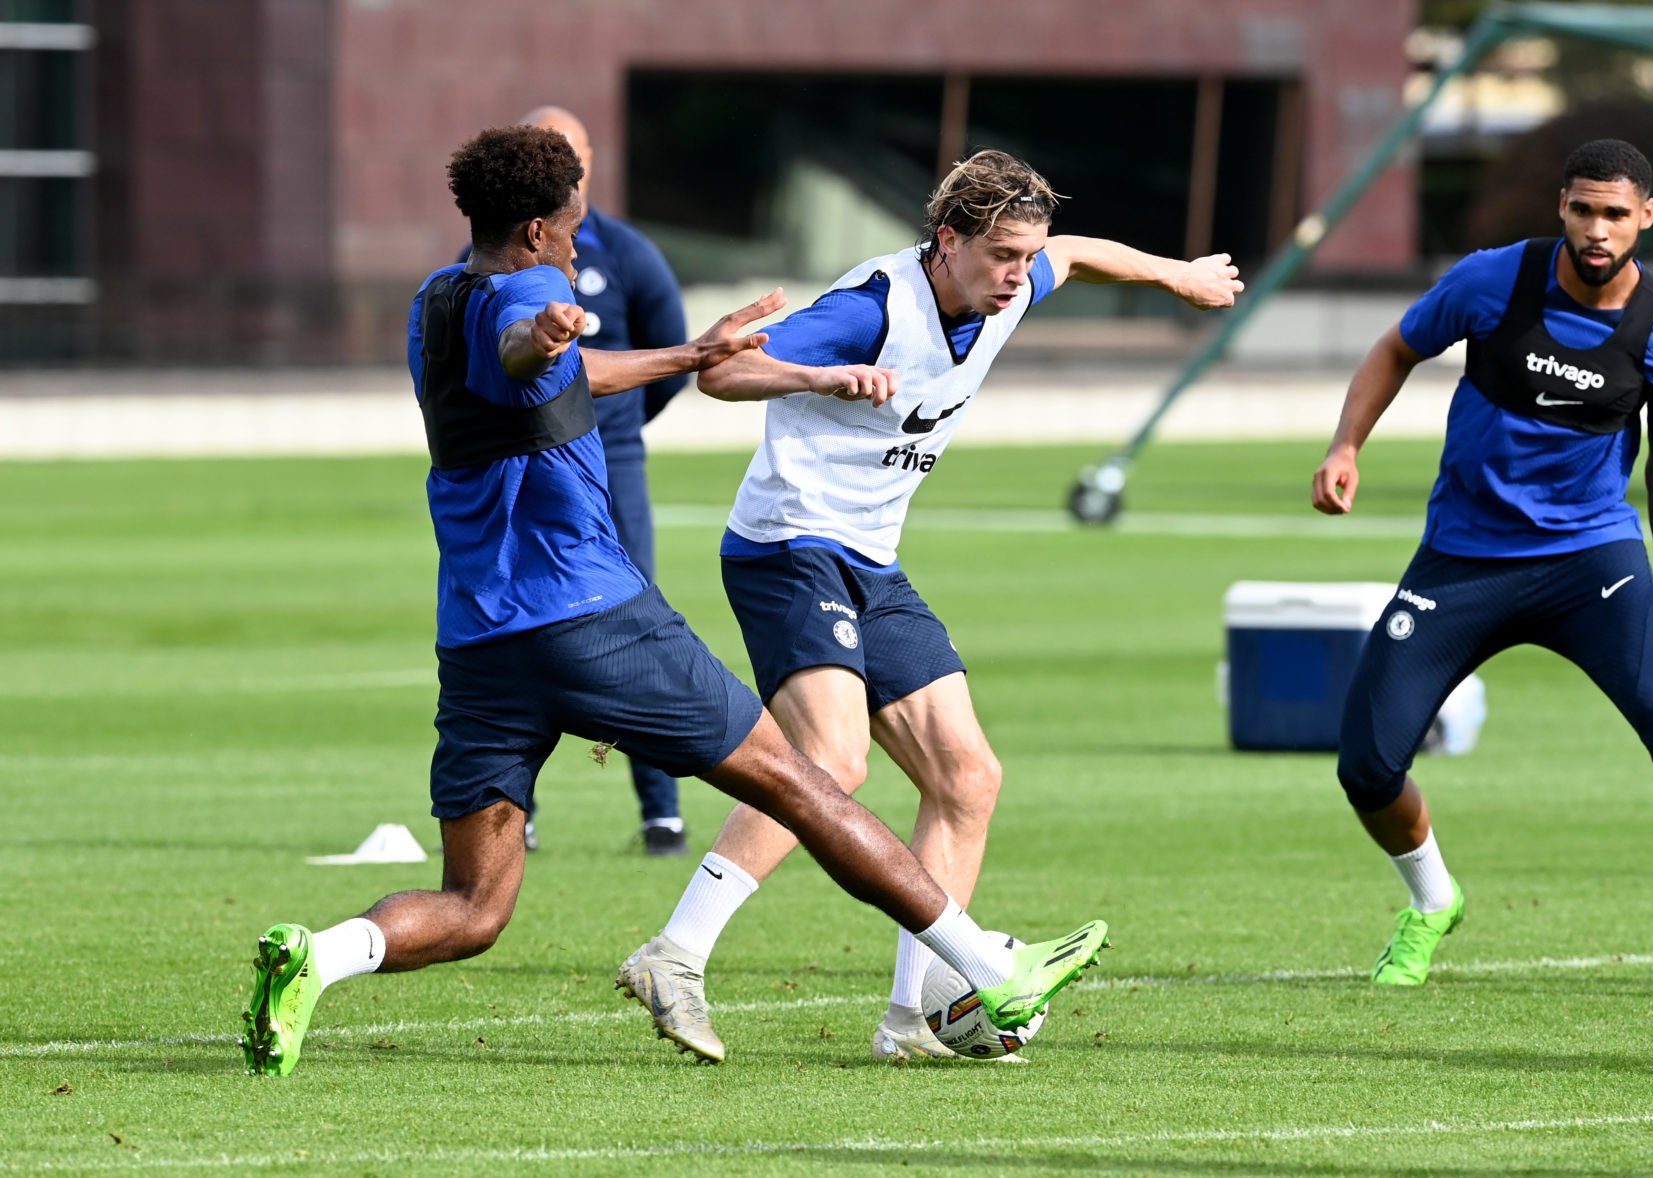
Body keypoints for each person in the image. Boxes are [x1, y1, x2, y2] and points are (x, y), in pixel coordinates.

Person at [238, 126, 1107, 1077]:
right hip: (590, 616)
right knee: (807, 781)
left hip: (481, 642)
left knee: (475, 908)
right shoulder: (534, 295)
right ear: (536, 229)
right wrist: (548, 333)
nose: (581, 243)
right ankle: (986, 967)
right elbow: (526, 347)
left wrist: (687, 352)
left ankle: (315, 958)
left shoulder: (435, 301)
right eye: (572, 227)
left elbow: (554, 373)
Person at [619, 149, 1241, 1064]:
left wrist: (1174, 275)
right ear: (946, 241)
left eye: (1025, 256)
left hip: (872, 559)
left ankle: (913, 1019)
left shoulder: (1013, 285)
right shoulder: (872, 307)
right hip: (789, 547)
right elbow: (721, 375)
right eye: (1002, 256)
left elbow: (1078, 252)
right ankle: (675, 955)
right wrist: (819, 377)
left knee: (967, 778)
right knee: (835, 757)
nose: (1019, 274)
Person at [1308, 138, 1653, 1002]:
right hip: (1465, 558)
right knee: (1365, 766)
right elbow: (1396, 348)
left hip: (1593, 562)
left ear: (1645, 218)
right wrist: (1345, 445)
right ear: (1561, 207)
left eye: (1616, 214)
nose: (1597, 229)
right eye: (1583, 209)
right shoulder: (1492, 282)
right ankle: (1434, 902)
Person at [462, 106, 692, 857]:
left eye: (578, 157)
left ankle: (661, 811)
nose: (572, 173)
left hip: (611, 460)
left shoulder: (625, 251)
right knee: (533, 627)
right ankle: (511, 809)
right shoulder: (491, 272)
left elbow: (662, 342)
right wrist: (542, 346)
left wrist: (617, 424)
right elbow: (518, 349)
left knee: (638, 624)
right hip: (523, 466)